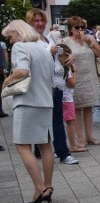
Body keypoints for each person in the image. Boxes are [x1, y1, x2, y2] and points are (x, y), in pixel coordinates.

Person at [1, 20, 56, 203]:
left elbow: (23, 71)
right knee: (45, 145)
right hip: (46, 101)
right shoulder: (43, 48)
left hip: (27, 102)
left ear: (18, 33)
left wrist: (6, 80)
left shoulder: (20, 47)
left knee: (22, 146)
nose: (10, 41)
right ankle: (48, 187)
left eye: (10, 36)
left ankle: (38, 188)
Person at [26, 9, 78, 165]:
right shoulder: (29, 41)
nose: (40, 23)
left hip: (56, 85)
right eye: (36, 21)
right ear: (30, 23)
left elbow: (61, 54)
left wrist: (69, 57)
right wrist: (50, 52)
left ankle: (40, 150)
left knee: (53, 119)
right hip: (42, 85)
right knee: (52, 120)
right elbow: (35, 61)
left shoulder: (48, 38)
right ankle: (63, 153)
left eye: (42, 20)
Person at [65, 16, 100, 146]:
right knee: (77, 108)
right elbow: (63, 60)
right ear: (71, 29)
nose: (80, 30)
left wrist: (91, 43)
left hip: (90, 77)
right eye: (77, 27)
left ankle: (90, 136)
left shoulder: (90, 39)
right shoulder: (66, 41)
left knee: (89, 107)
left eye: (83, 27)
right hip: (76, 78)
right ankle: (80, 138)